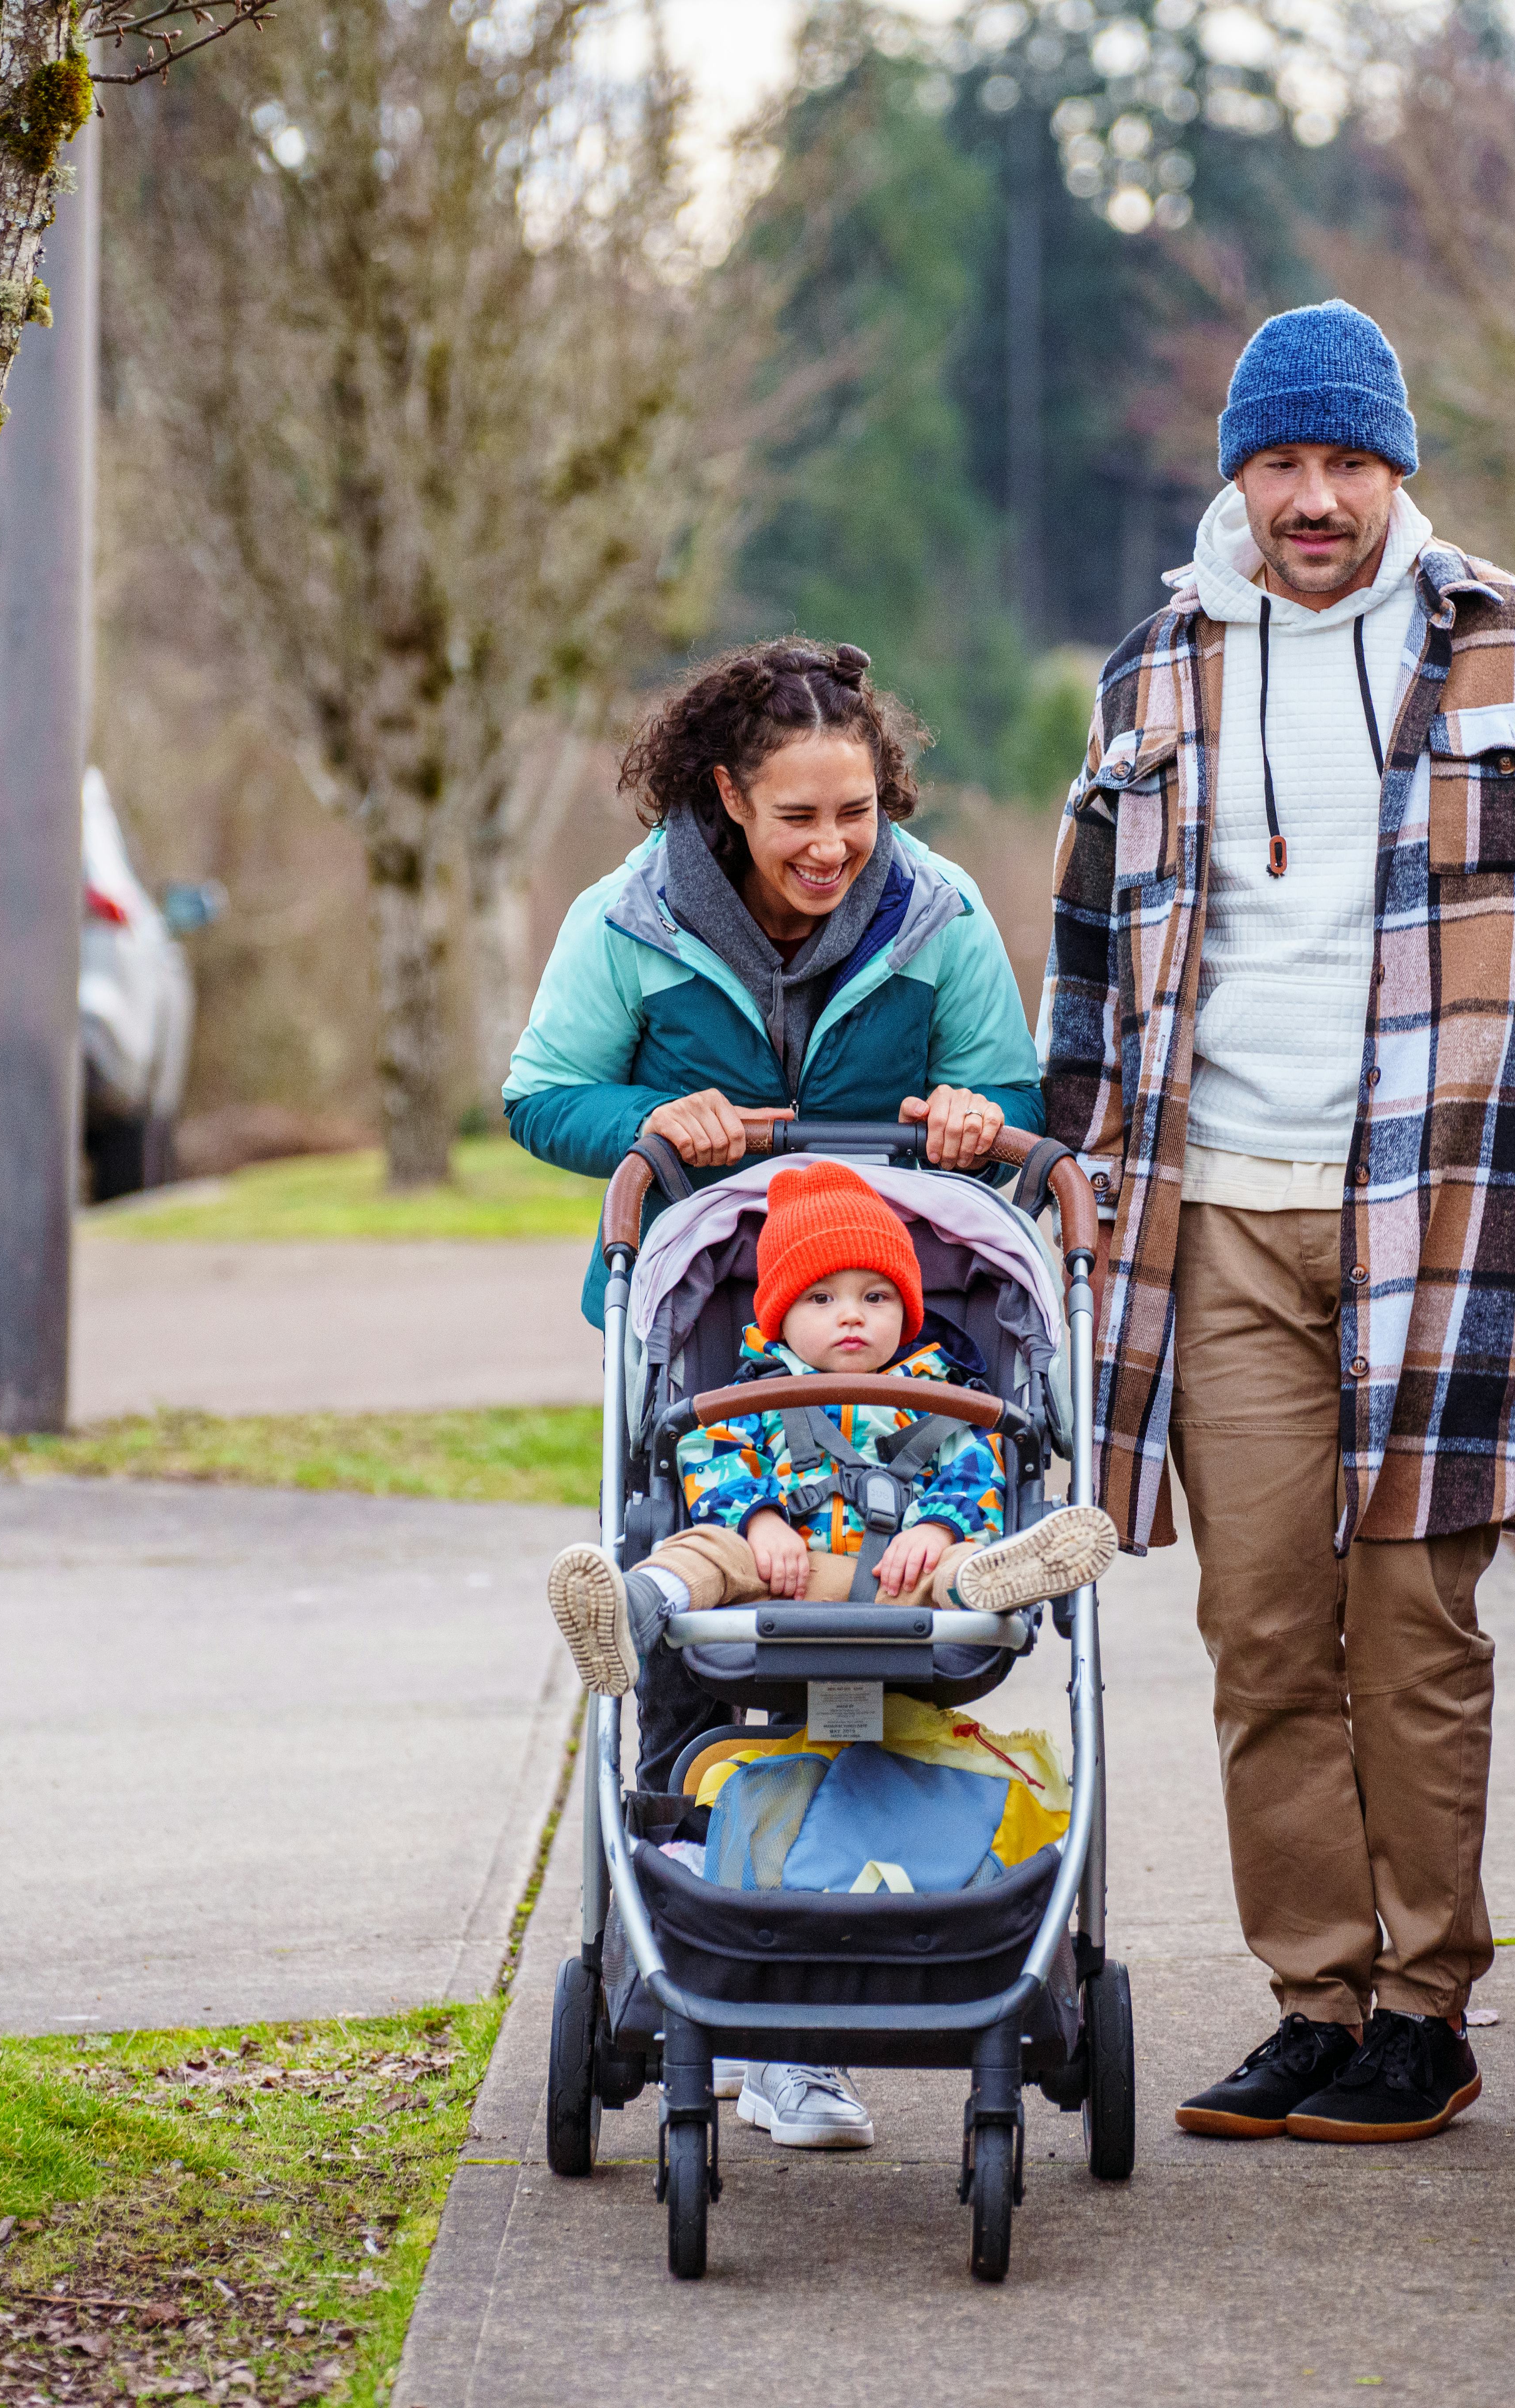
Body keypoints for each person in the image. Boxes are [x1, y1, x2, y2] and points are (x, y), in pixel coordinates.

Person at [1040, 301, 1515, 2147]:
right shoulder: (1150, 674)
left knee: (1411, 1624)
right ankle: (1313, 1999)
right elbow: (1082, 969)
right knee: (1259, 1630)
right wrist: (1070, 1173)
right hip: (1217, 1221)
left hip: (1452, 1219)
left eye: (1343, 463)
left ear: (1393, 468)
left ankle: (1430, 2006)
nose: (1310, 499)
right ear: (1235, 472)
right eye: (1280, 463)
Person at [504, 639, 1047, 2149]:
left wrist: (967, 1117)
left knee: (864, 1626)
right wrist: (649, 1115)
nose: (830, 847)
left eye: (857, 813)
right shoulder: (628, 918)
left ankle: (834, 1956)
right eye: (796, 815)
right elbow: (541, 1094)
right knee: (694, 1626)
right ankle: (715, 1960)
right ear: (726, 795)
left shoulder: (935, 913)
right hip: (705, 1325)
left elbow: (1014, 1099)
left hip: (897, 1321)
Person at [546, 1159, 1118, 1678]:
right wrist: (759, 1522)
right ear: (780, 1319)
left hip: (902, 1577)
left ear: (907, 1312)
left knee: (960, 1562)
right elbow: (712, 1455)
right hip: (779, 1576)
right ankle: (633, 1608)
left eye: (876, 1298)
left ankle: (1003, 1580)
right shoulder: (755, 1394)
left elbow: (974, 1468)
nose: (851, 1316)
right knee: (704, 1550)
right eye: (821, 1300)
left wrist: (937, 1527)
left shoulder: (939, 1392)